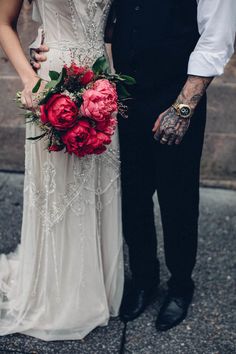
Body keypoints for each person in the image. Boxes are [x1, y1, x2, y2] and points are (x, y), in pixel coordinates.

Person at [21, 0, 236, 332]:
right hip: (124, 98)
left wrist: (183, 107)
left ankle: (180, 285)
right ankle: (144, 277)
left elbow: (216, 37)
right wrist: (46, 44)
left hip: (176, 97)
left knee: (177, 197)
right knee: (132, 196)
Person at [0, 0, 124, 340]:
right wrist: (30, 79)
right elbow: (3, 22)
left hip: (101, 78)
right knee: (59, 190)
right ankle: (56, 292)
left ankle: (92, 286)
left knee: (96, 185)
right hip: (52, 81)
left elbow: (110, 24)